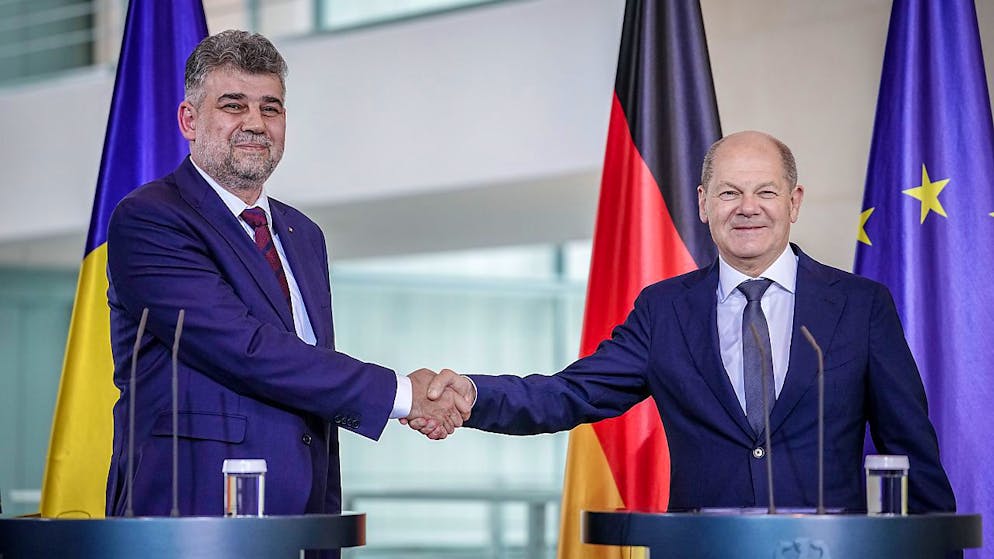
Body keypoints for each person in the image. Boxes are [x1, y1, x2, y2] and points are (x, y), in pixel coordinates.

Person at [411, 130, 956, 513]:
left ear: (794, 202)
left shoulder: (861, 305)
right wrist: (471, 394)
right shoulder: (663, 309)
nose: (748, 207)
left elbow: (910, 446)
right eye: (729, 192)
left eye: (765, 191)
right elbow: (571, 393)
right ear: (702, 203)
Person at [105, 30, 466, 518]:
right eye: (234, 105)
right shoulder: (150, 218)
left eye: (270, 108)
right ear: (189, 120)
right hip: (193, 517)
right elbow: (247, 349)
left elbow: (312, 372)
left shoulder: (303, 234)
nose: (255, 123)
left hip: (304, 517)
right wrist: (404, 395)